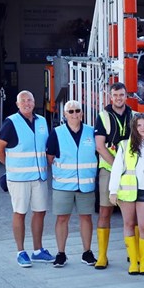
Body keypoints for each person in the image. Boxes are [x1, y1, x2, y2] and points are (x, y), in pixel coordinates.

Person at [0, 90, 54, 267]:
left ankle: (37, 250)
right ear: (18, 104)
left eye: (30, 100)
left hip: (39, 177)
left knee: (40, 212)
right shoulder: (11, 122)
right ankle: (21, 252)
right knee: (20, 213)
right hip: (19, 178)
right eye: (23, 101)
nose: (27, 103)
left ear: (34, 103)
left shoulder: (42, 121)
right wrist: (10, 167)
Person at [108, 114, 144, 275]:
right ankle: (133, 262)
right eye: (138, 125)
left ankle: (143, 261)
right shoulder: (125, 146)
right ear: (134, 128)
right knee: (128, 224)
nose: (142, 128)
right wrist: (113, 191)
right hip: (127, 192)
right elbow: (117, 169)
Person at [45, 100, 98, 267]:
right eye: (71, 111)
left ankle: (87, 253)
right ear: (65, 115)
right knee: (62, 219)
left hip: (86, 185)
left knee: (86, 218)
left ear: (82, 113)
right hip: (63, 185)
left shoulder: (91, 132)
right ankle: (61, 254)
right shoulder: (57, 133)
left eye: (77, 111)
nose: (75, 114)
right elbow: (50, 157)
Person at [93, 82, 134, 270]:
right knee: (105, 212)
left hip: (130, 172)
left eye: (122, 95)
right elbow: (100, 147)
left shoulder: (133, 116)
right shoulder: (103, 116)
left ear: (126, 96)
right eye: (115, 95)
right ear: (111, 97)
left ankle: (133, 254)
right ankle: (102, 256)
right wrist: (117, 167)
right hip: (109, 171)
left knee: (130, 215)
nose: (119, 98)